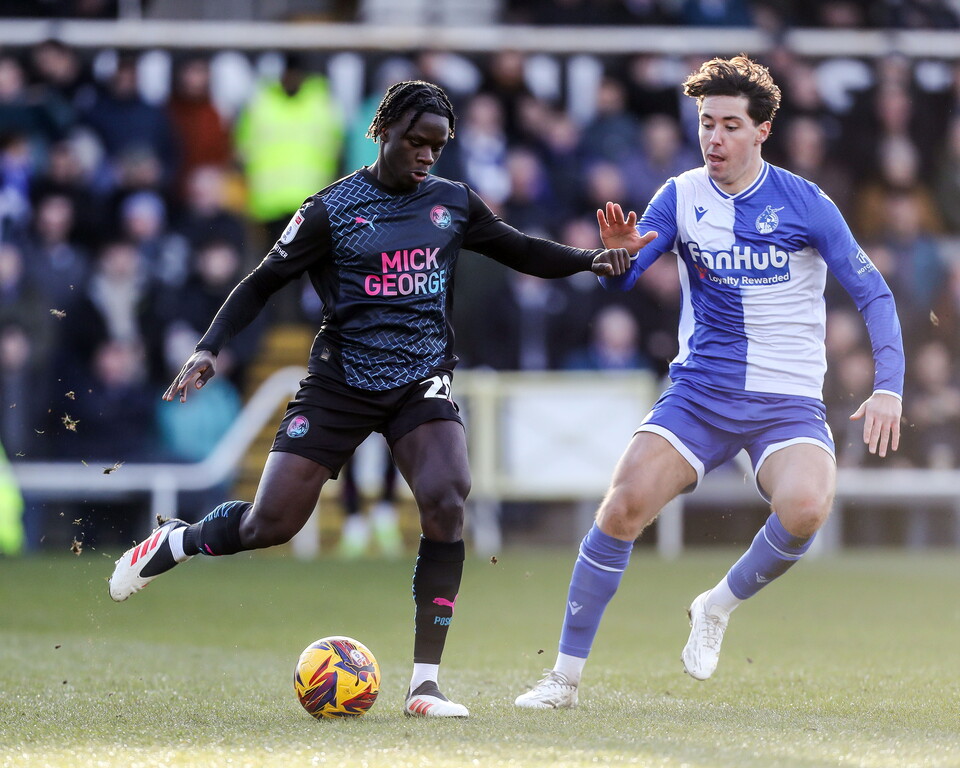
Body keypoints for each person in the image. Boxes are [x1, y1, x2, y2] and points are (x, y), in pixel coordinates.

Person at [107, 80, 637, 719]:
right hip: (341, 381)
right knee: (270, 524)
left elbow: (523, 250)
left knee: (447, 498)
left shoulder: (452, 204)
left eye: (437, 147)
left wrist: (594, 260)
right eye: (416, 141)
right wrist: (209, 348)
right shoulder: (332, 209)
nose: (425, 156)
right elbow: (262, 282)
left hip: (420, 379)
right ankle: (178, 541)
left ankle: (425, 685)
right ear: (382, 131)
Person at [515, 55, 904, 709]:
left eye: (729, 125)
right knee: (622, 505)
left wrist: (888, 384)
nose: (714, 139)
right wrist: (615, 257)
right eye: (705, 124)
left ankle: (717, 606)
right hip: (700, 392)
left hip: (786, 401)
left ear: (762, 131)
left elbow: (874, 294)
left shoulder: (807, 204)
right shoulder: (681, 195)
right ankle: (563, 678)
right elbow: (628, 277)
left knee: (807, 507)